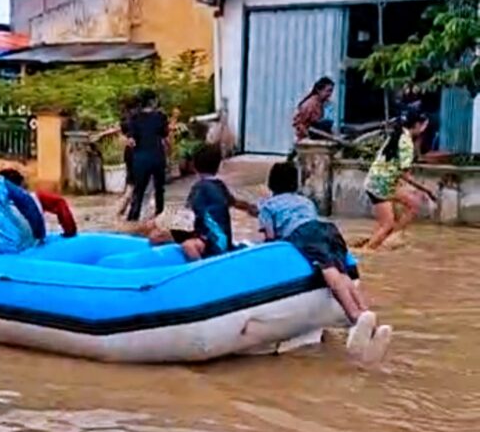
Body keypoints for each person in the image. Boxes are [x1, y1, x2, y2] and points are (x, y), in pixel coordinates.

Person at [259, 162, 389, 359]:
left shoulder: (268, 206)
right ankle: (365, 313)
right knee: (342, 272)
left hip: (304, 233)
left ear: (271, 183)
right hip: (327, 230)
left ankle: (353, 316)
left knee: (329, 272)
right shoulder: (305, 201)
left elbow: (270, 238)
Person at [165, 144, 258, 262]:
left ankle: (201, 266)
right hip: (221, 239)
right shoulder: (219, 185)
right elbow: (234, 202)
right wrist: (250, 207)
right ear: (218, 166)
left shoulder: (199, 188)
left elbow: (186, 215)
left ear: (194, 166)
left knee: (187, 246)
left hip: (210, 240)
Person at [363, 110, 437, 251]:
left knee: (413, 204)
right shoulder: (406, 143)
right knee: (387, 224)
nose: (425, 129)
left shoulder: (399, 133)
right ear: (417, 125)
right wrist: (427, 190)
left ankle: (389, 238)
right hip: (380, 186)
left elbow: (396, 168)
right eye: (424, 126)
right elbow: (405, 175)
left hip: (381, 181)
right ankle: (367, 251)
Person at [126, 89, 169, 222]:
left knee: (138, 191)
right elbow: (164, 135)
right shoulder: (160, 117)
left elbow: (131, 140)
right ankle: (159, 216)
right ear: (153, 101)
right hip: (157, 156)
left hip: (140, 158)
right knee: (159, 189)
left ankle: (132, 219)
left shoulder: (134, 118)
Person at [0, 168, 78, 237]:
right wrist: (70, 231)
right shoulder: (35, 197)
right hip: (30, 240)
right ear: (21, 183)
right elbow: (60, 203)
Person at [292, 77, 335, 142]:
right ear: (319, 90)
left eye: (331, 91)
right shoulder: (309, 104)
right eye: (328, 91)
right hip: (306, 141)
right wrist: (308, 136)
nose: (330, 94)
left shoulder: (321, 104)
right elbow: (299, 123)